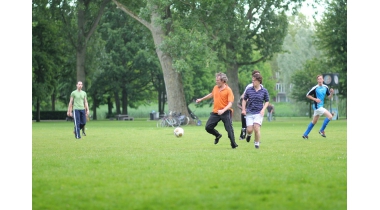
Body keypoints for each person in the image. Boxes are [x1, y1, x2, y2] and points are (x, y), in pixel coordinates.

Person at [196, 72, 238, 149]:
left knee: (229, 129)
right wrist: (201, 99)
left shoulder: (228, 90)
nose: (216, 81)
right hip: (216, 112)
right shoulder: (215, 87)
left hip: (225, 112)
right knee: (208, 127)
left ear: (223, 81)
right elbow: (211, 94)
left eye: (218, 80)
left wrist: (223, 110)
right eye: (216, 80)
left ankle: (233, 144)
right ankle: (217, 135)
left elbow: (230, 104)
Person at [241, 73, 270, 149]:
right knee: (250, 130)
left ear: (259, 81)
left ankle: (257, 144)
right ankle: (249, 135)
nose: (252, 82)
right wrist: (243, 109)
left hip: (259, 113)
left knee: (256, 128)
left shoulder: (264, 91)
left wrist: (263, 110)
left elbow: (267, 101)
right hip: (249, 112)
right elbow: (244, 100)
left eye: (254, 81)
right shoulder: (249, 90)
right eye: (252, 80)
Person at [302, 75, 334, 139]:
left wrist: (332, 93)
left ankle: (305, 134)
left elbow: (329, 97)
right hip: (318, 107)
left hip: (319, 107)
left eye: (321, 79)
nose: (319, 80)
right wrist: (315, 99)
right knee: (330, 116)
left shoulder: (325, 87)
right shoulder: (315, 88)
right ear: (317, 80)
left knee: (314, 121)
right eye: (318, 79)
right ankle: (321, 130)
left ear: (323, 80)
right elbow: (307, 95)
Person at [239, 70, 262, 140]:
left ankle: (256, 139)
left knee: (256, 126)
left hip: (257, 108)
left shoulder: (261, 86)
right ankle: (243, 135)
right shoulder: (249, 86)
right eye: (255, 75)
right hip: (249, 106)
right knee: (245, 122)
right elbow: (243, 96)